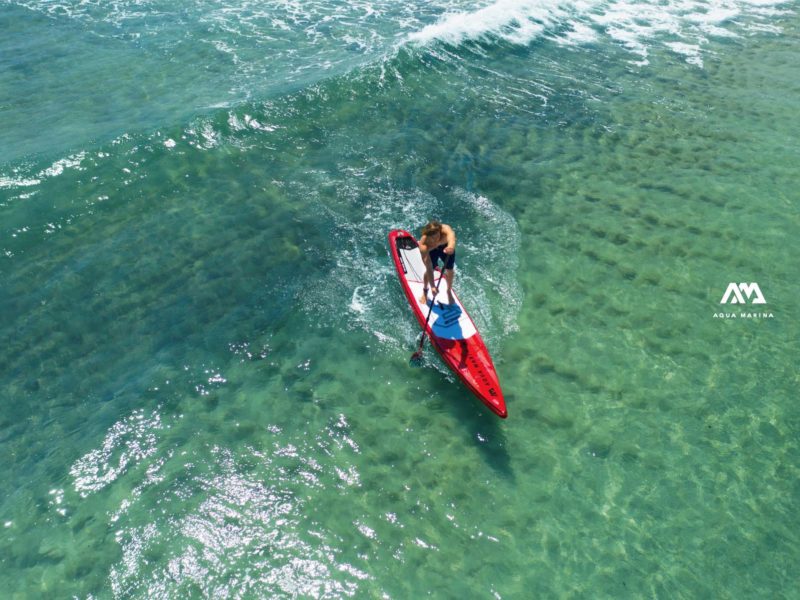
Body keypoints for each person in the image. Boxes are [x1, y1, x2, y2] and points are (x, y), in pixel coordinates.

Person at [418, 220, 457, 305]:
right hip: (431, 250)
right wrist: (433, 286)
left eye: (437, 237)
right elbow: (428, 266)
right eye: (432, 238)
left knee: (450, 270)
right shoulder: (424, 244)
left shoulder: (445, 229)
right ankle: (425, 290)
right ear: (428, 236)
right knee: (430, 270)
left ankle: (449, 291)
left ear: (440, 231)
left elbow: (452, 239)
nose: (435, 240)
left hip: (446, 247)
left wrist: (450, 247)